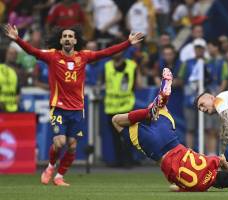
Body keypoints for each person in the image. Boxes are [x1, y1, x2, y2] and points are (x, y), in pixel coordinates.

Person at [2, 24, 144, 186]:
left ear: (75, 40)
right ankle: (50, 167)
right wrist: (18, 39)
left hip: (77, 109)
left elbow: (106, 52)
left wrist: (128, 43)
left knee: (72, 146)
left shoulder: (83, 57)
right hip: (59, 107)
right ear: (61, 40)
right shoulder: (52, 56)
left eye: (70, 36)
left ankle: (59, 176)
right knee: (60, 142)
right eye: (65, 36)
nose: (68, 39)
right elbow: (33, 51)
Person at [111, 68, 228, 192]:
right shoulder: (199, 188)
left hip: (170, 139)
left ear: (218, 172)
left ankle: (149, 111)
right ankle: (148, 112)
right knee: (116, 121)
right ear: (218, 186)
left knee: (160, 107)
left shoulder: (211, 163)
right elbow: (174, 187)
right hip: (155, 150)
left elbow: (222, 160)